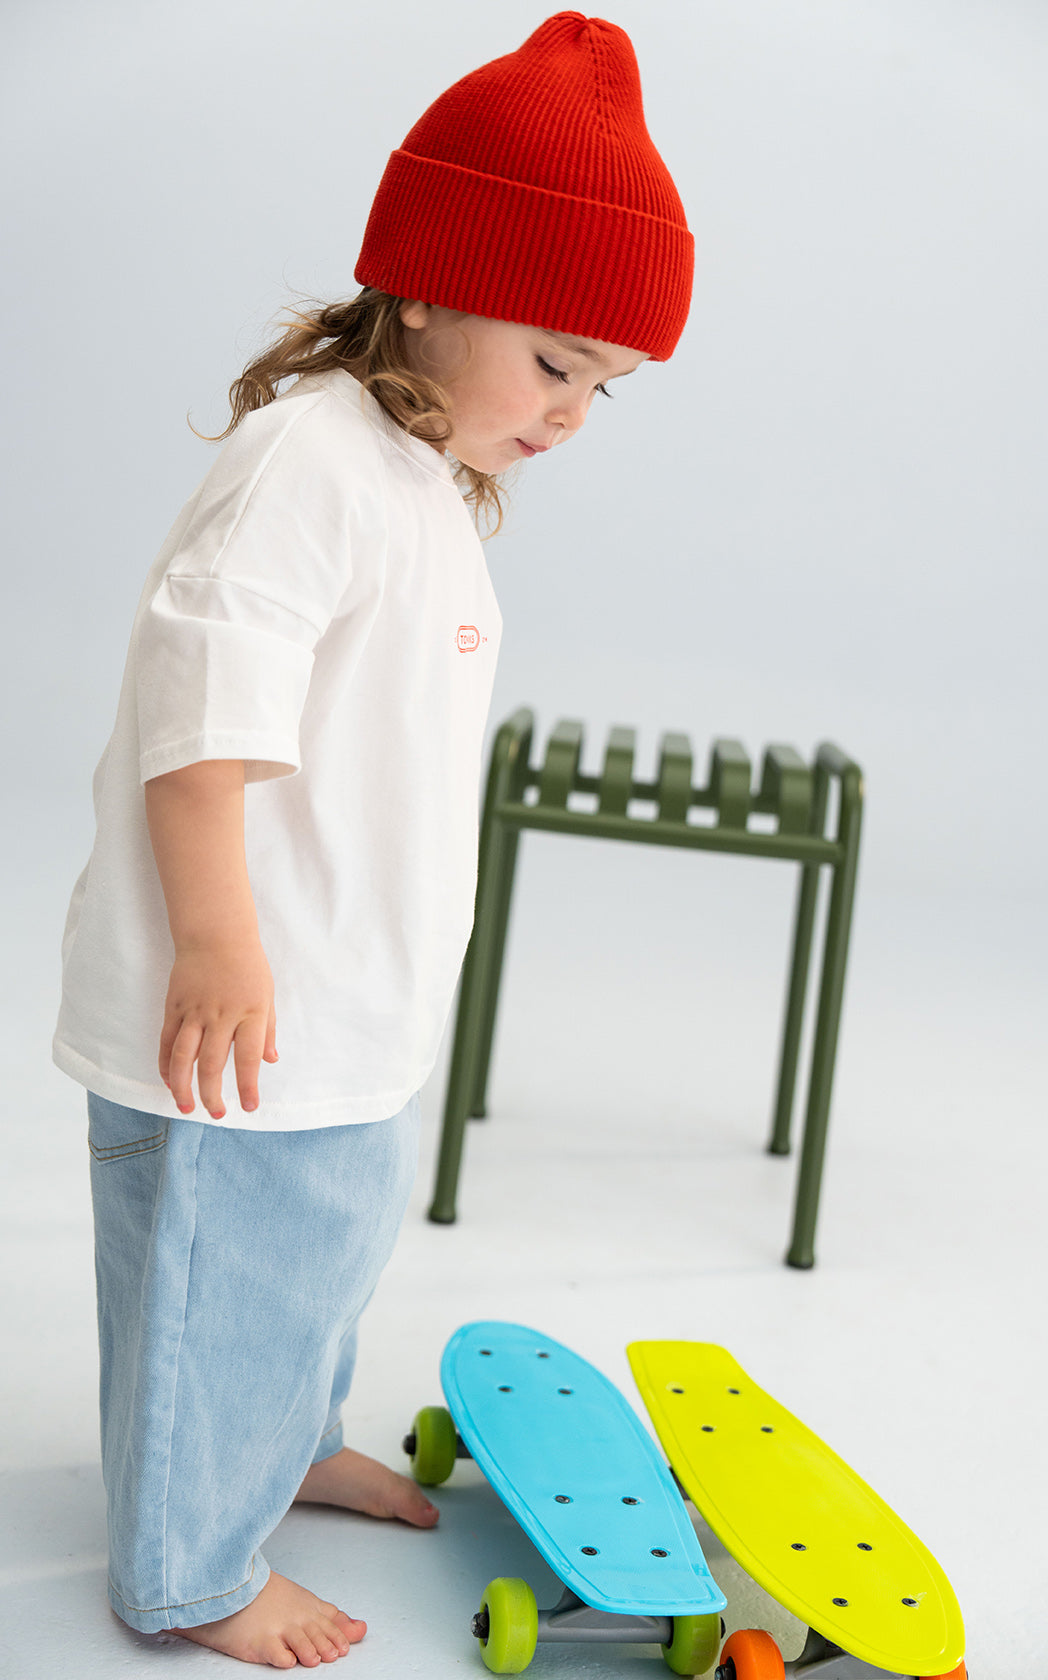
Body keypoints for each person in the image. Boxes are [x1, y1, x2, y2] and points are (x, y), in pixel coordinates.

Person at [53, 10, 693, 1669]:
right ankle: (189, 1569)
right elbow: (206, 717)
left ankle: (276, 1454)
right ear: (422, 282)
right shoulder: (311, 465)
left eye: (601, 390)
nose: (567, 417)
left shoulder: (419, 486)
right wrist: (216, 939)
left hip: (337, 1007)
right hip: (241, 1015)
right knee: (223, 1282)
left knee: (316, 1262)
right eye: (554, 363)